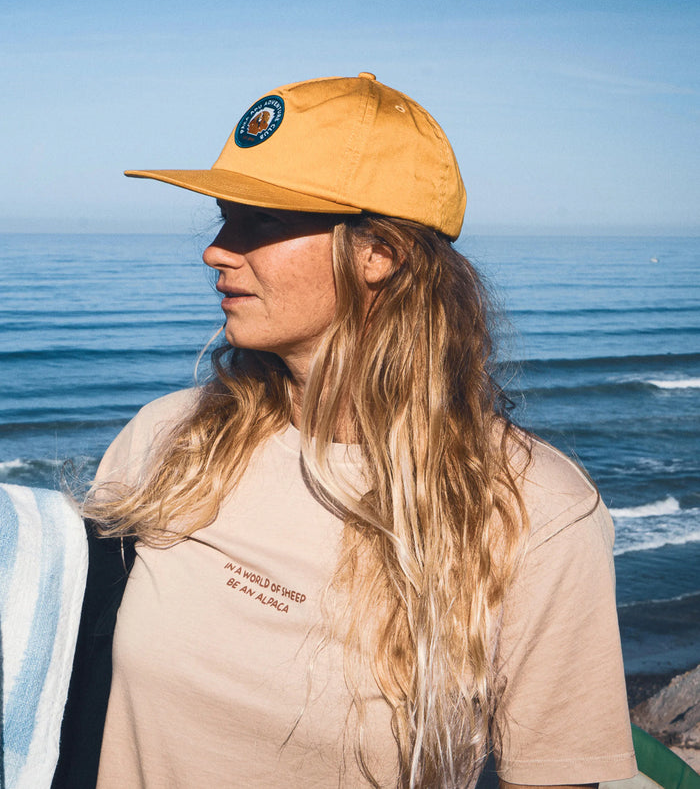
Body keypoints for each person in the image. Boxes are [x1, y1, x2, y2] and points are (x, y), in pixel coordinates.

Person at [53, 73, 637, 789]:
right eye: (224, 217)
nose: (217, 251)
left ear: (378, 254)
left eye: (260, 221)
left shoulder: (533, 513)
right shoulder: (171, 439)